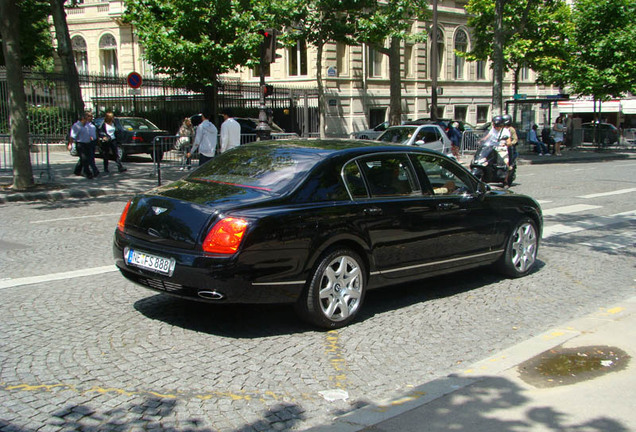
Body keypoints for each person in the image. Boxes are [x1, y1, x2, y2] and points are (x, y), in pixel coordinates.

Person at [68, 111, 98, 179]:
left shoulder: (87, 125)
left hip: (87, 143)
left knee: (84, 159)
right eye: (85, 119)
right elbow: (72, 136)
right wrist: (70, 144)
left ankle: (77, 170)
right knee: (84, 158)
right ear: (82, 119)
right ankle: (87, 173)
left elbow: (90, 133)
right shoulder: (76, 126)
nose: (87, 120)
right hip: (80, 144)